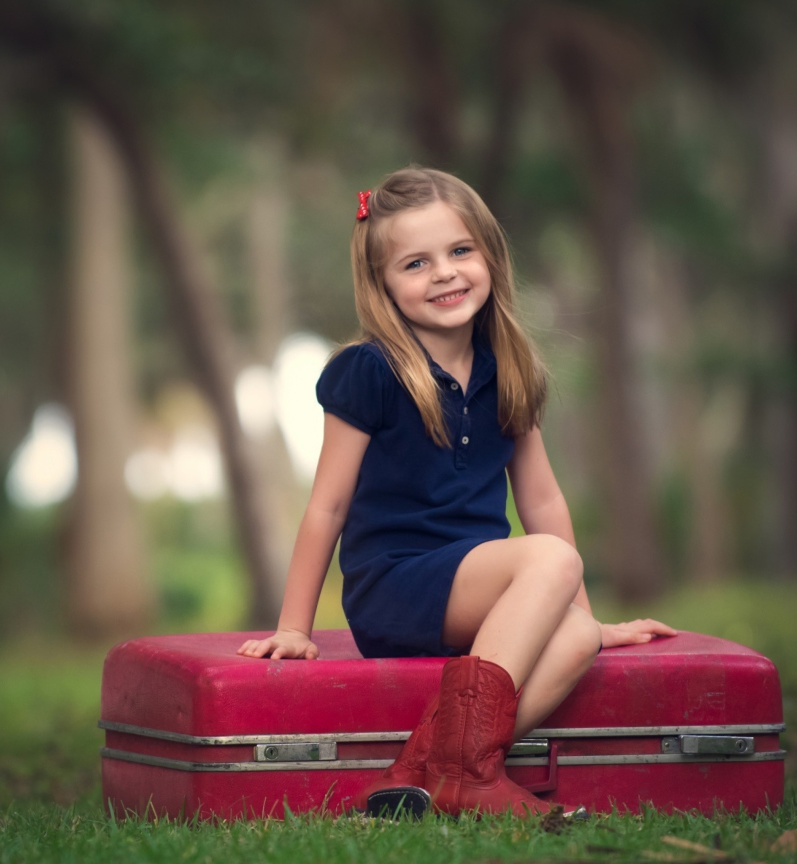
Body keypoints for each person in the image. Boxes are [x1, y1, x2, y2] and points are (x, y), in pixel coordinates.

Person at [238, 167, 675, 818]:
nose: (443, 273)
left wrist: (584, 615)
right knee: (550, 557)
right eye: (416, 263)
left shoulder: (510, 371)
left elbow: (543, 502)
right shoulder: (369, 372)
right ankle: (463, 771)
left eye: (460, 251)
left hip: (479, 597)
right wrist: (295, 627)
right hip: (397, 591)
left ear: (491, 257)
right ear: (382, 284)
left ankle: (427, 768)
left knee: (578, 637)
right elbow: (326, 506)